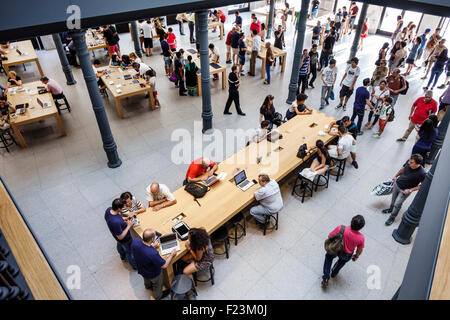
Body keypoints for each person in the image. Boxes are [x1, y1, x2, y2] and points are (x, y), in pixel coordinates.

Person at [321, 215, 365, 288]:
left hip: (335, 249)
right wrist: (356, 256)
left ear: (351, 221)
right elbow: (359, 250)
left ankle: (325, 278)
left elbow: (329, 236)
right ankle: (334, 273)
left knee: (328, 258)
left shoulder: (341, 228)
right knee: (341, 262)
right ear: (361, 227)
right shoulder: (361, 238)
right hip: (347, 254)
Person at [131, 229, 176, 300]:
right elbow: (164, 265)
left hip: (141, 268)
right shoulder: (152, 253)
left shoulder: (136, 241)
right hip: (153, 274)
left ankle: (148, 286)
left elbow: (143, 249)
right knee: (157, 284)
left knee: (146, 279)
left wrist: (152, 246)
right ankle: (158, 295)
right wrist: (172, 255)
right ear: (152, 239)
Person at [383, 154, 426, 226]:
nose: (409, 163)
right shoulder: (408, 162)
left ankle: (392, 217)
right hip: (397, 184)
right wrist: (396, 176)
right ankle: (390, 209)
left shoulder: (422, 173)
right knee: (393, 200)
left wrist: (410, 190)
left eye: (412, 163)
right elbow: (402, 168)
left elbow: (422, 186)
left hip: (405, 191)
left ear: (418, 164)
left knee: (397, 204)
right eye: (409, 161)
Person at [105, 198, 137, 269]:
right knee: (130, 252)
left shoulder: (108, 210)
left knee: (120, 246)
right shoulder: (115, 222)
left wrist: (123, 218)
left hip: (116, 236)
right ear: (119, 208)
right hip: (125, 239)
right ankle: (134, 266)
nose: (123, 208)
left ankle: (122, 256)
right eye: (122, 207)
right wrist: (129, 226)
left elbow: (117, 217)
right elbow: (120, 236)